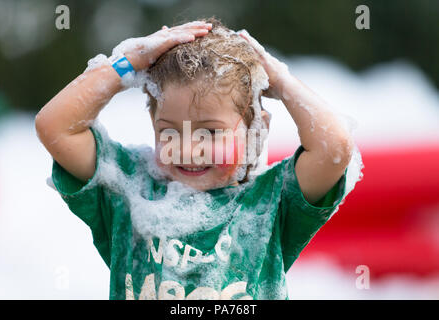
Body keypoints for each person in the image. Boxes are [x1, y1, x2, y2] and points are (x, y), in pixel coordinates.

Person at [35, 18, 360, 300]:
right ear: (153, 125)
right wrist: (127, 63)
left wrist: (279, 79)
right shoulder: (126, 190)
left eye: (210, 133)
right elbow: (55, 126)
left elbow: (334, 148)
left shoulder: (270, 203)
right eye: (169, 132)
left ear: (257, 130)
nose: (189, 149)